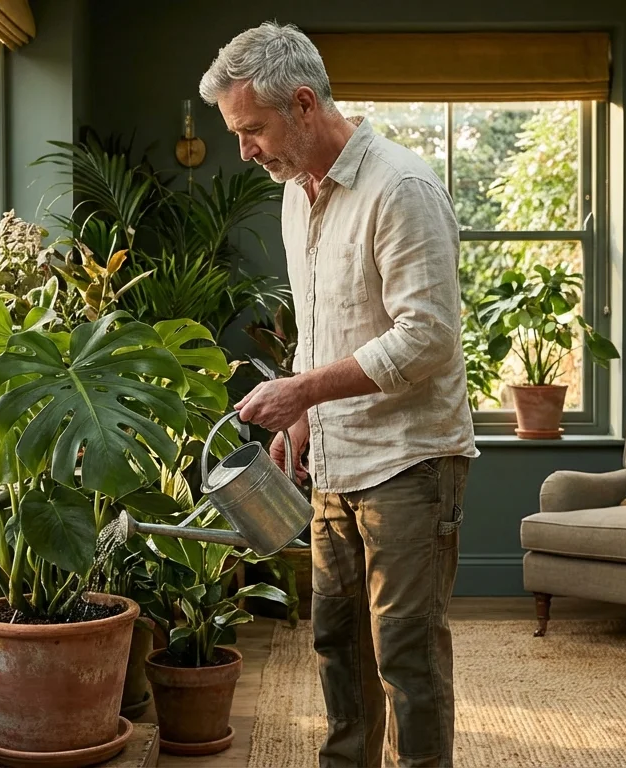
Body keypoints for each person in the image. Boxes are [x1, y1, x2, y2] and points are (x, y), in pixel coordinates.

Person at [199, 21, 478, 768]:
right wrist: (302, 421)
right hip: (337, 463)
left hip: (410, 461)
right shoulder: (296, 194)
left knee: (407, 660)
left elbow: (429, 338)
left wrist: (301, 392)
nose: (245, 149)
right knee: (336, 645)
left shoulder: (402, 188)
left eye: (252, 128)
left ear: (303, 103)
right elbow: (324, 330)